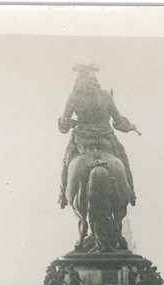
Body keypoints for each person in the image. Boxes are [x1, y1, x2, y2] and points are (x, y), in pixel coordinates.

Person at [57, 63, 139, 208]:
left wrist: (71, 123)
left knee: (66, 161)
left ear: (79, 79)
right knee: (124, 161)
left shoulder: (74, 97)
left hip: (83, 140)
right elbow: (119, 122)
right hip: (106, 139)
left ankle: (63, 195)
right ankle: (131, 192)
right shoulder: (105, 95)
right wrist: (130, 126)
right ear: (94, 77)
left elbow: (64, 126)